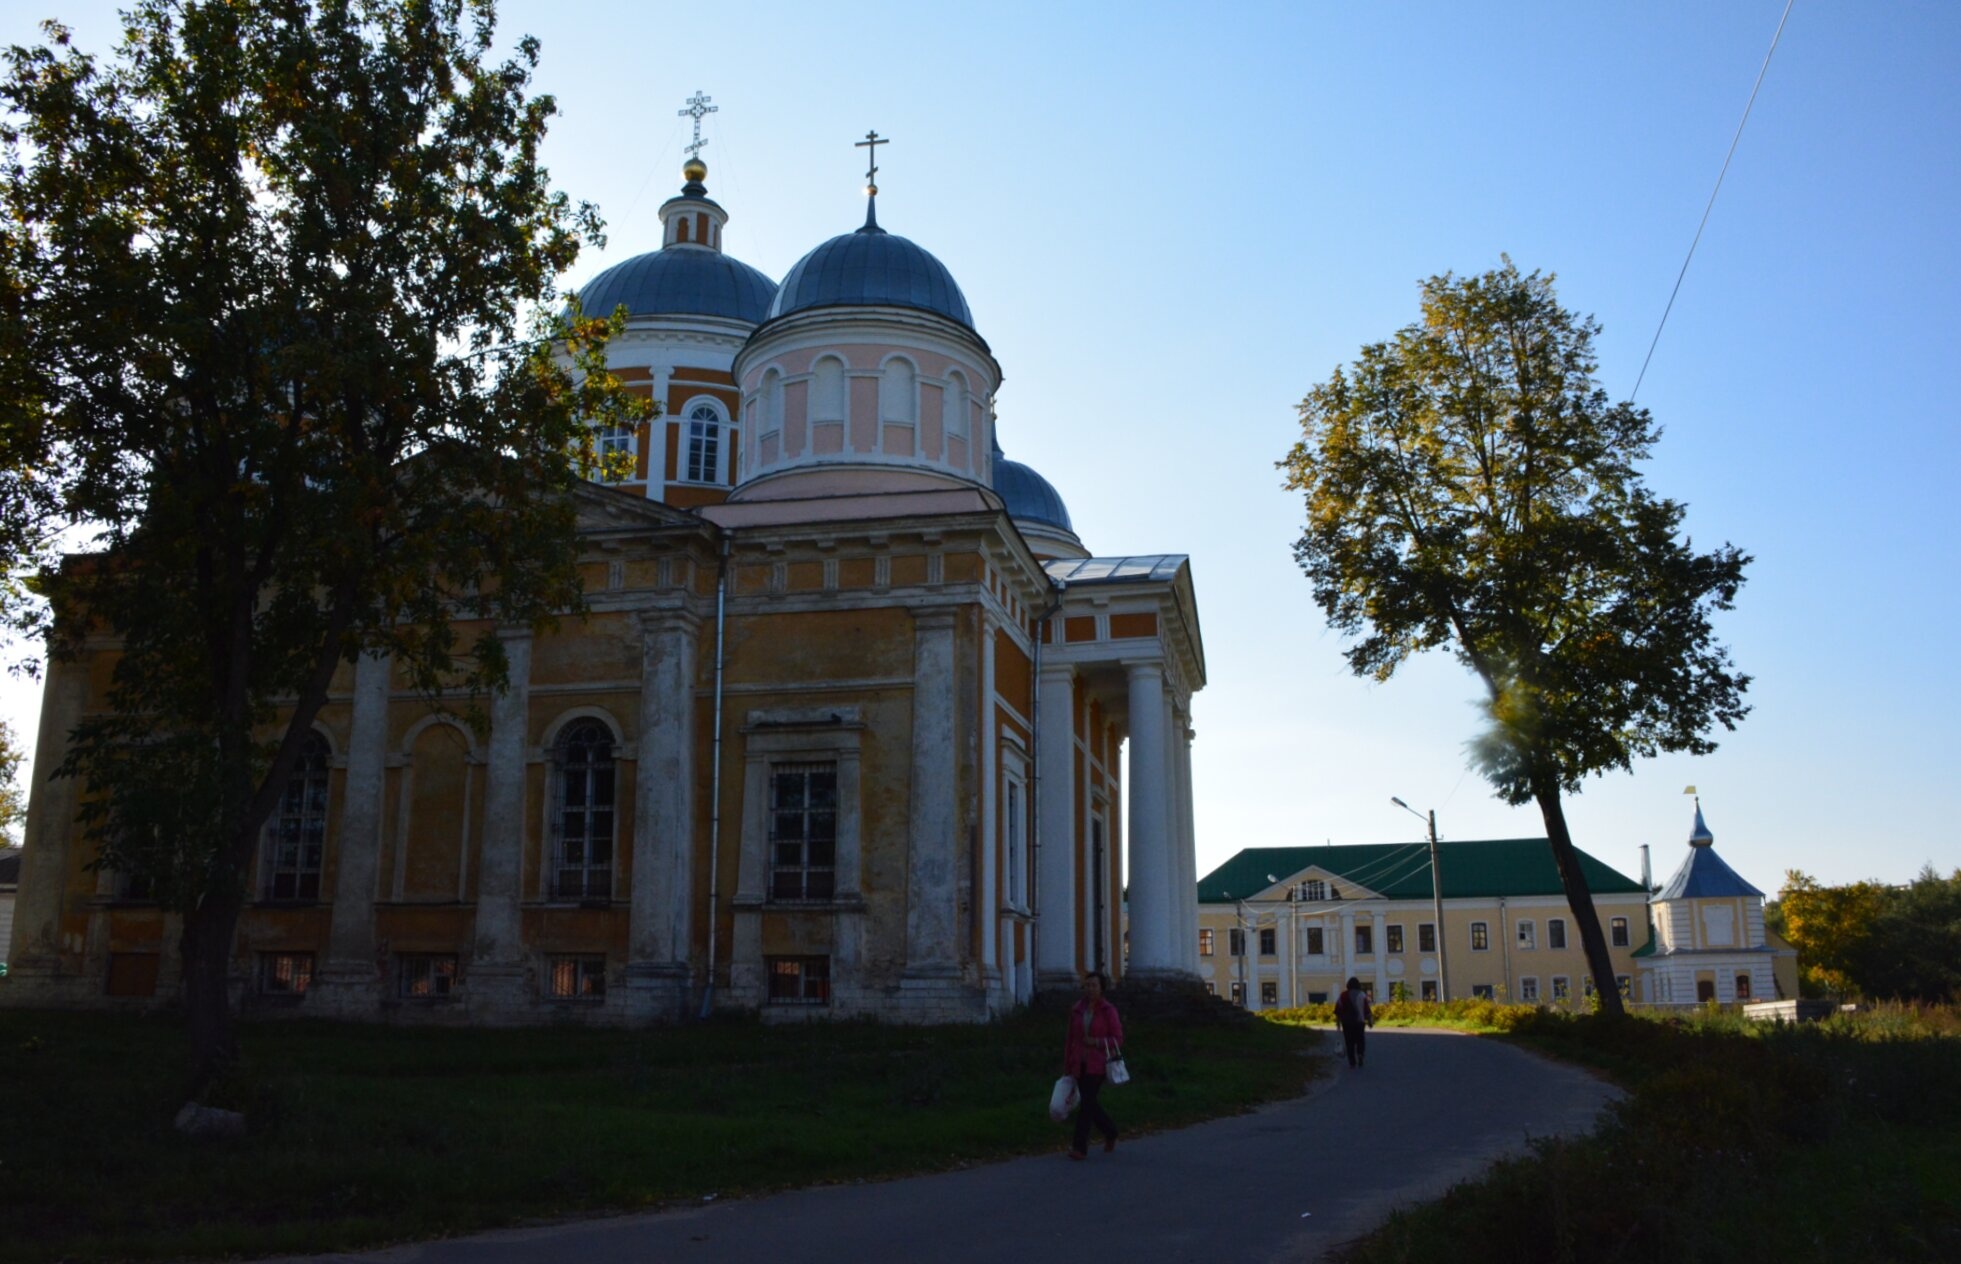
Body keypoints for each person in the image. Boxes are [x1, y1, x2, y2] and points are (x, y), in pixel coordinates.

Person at [1061, 970, 1123, 1159]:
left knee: (1086, 1105)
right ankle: (1111, 1131)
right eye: (1087, 985)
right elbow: (1070, 1038)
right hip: (1079, 1062)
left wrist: (1096, 1042)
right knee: (1090, 1103)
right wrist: (1068, 1064)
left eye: (1094, 985)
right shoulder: (1077, 1010)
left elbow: (1118, 1039)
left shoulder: (1108, 1011)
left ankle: (1079, 1148)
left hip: (1098, 1064)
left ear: (1102, 988)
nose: (1090, 989)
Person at [1333, 975, 1374, 1069]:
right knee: (1360, 1040)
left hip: (1346, 1023)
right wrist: (1370, 1021)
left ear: (1348, 985)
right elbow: (1366, 1010)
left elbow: (1338, 1010)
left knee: (1349, 1042)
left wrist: (1338, 1023)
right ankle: (1360, 1054)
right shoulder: (1362, 995)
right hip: (1359, 1022)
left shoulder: (1343, 995)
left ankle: (1352, 1062)